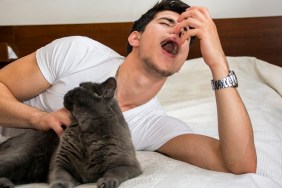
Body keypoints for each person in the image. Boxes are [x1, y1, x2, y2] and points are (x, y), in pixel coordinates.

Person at [0, 0, 256, 174]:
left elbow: (239, 163)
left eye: (187, 33)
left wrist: (219, 63)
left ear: (181, 63)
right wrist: (39, 118)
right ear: (136, 37)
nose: (178, 32)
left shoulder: (154, 126)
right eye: (167, 23)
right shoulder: (78, 52)